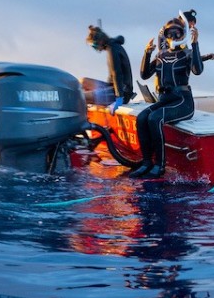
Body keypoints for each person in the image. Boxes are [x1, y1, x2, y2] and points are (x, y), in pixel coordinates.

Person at [129, 13, 204, 178]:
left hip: (183, 101)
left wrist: (195, 43)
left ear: (182, 34)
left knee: (155, 118)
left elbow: (197, 70)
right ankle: (147, 162)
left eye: (176, 33)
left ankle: (160, 165)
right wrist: (147, 53)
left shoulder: (187, 54)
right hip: (165, 100)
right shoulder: (161, 55)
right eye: (169, 33)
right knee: (142, 118)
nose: (172, 36)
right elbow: (144, 75)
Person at [87, 25, 135, 113]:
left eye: (94, 46)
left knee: (82, 96)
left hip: (122, 93)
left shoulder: (112, 49)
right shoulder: (112, 46)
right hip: (113, 88)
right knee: (83, 81)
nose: (95, 49)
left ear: (100, 41)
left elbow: (117, 74)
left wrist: (119, 97)